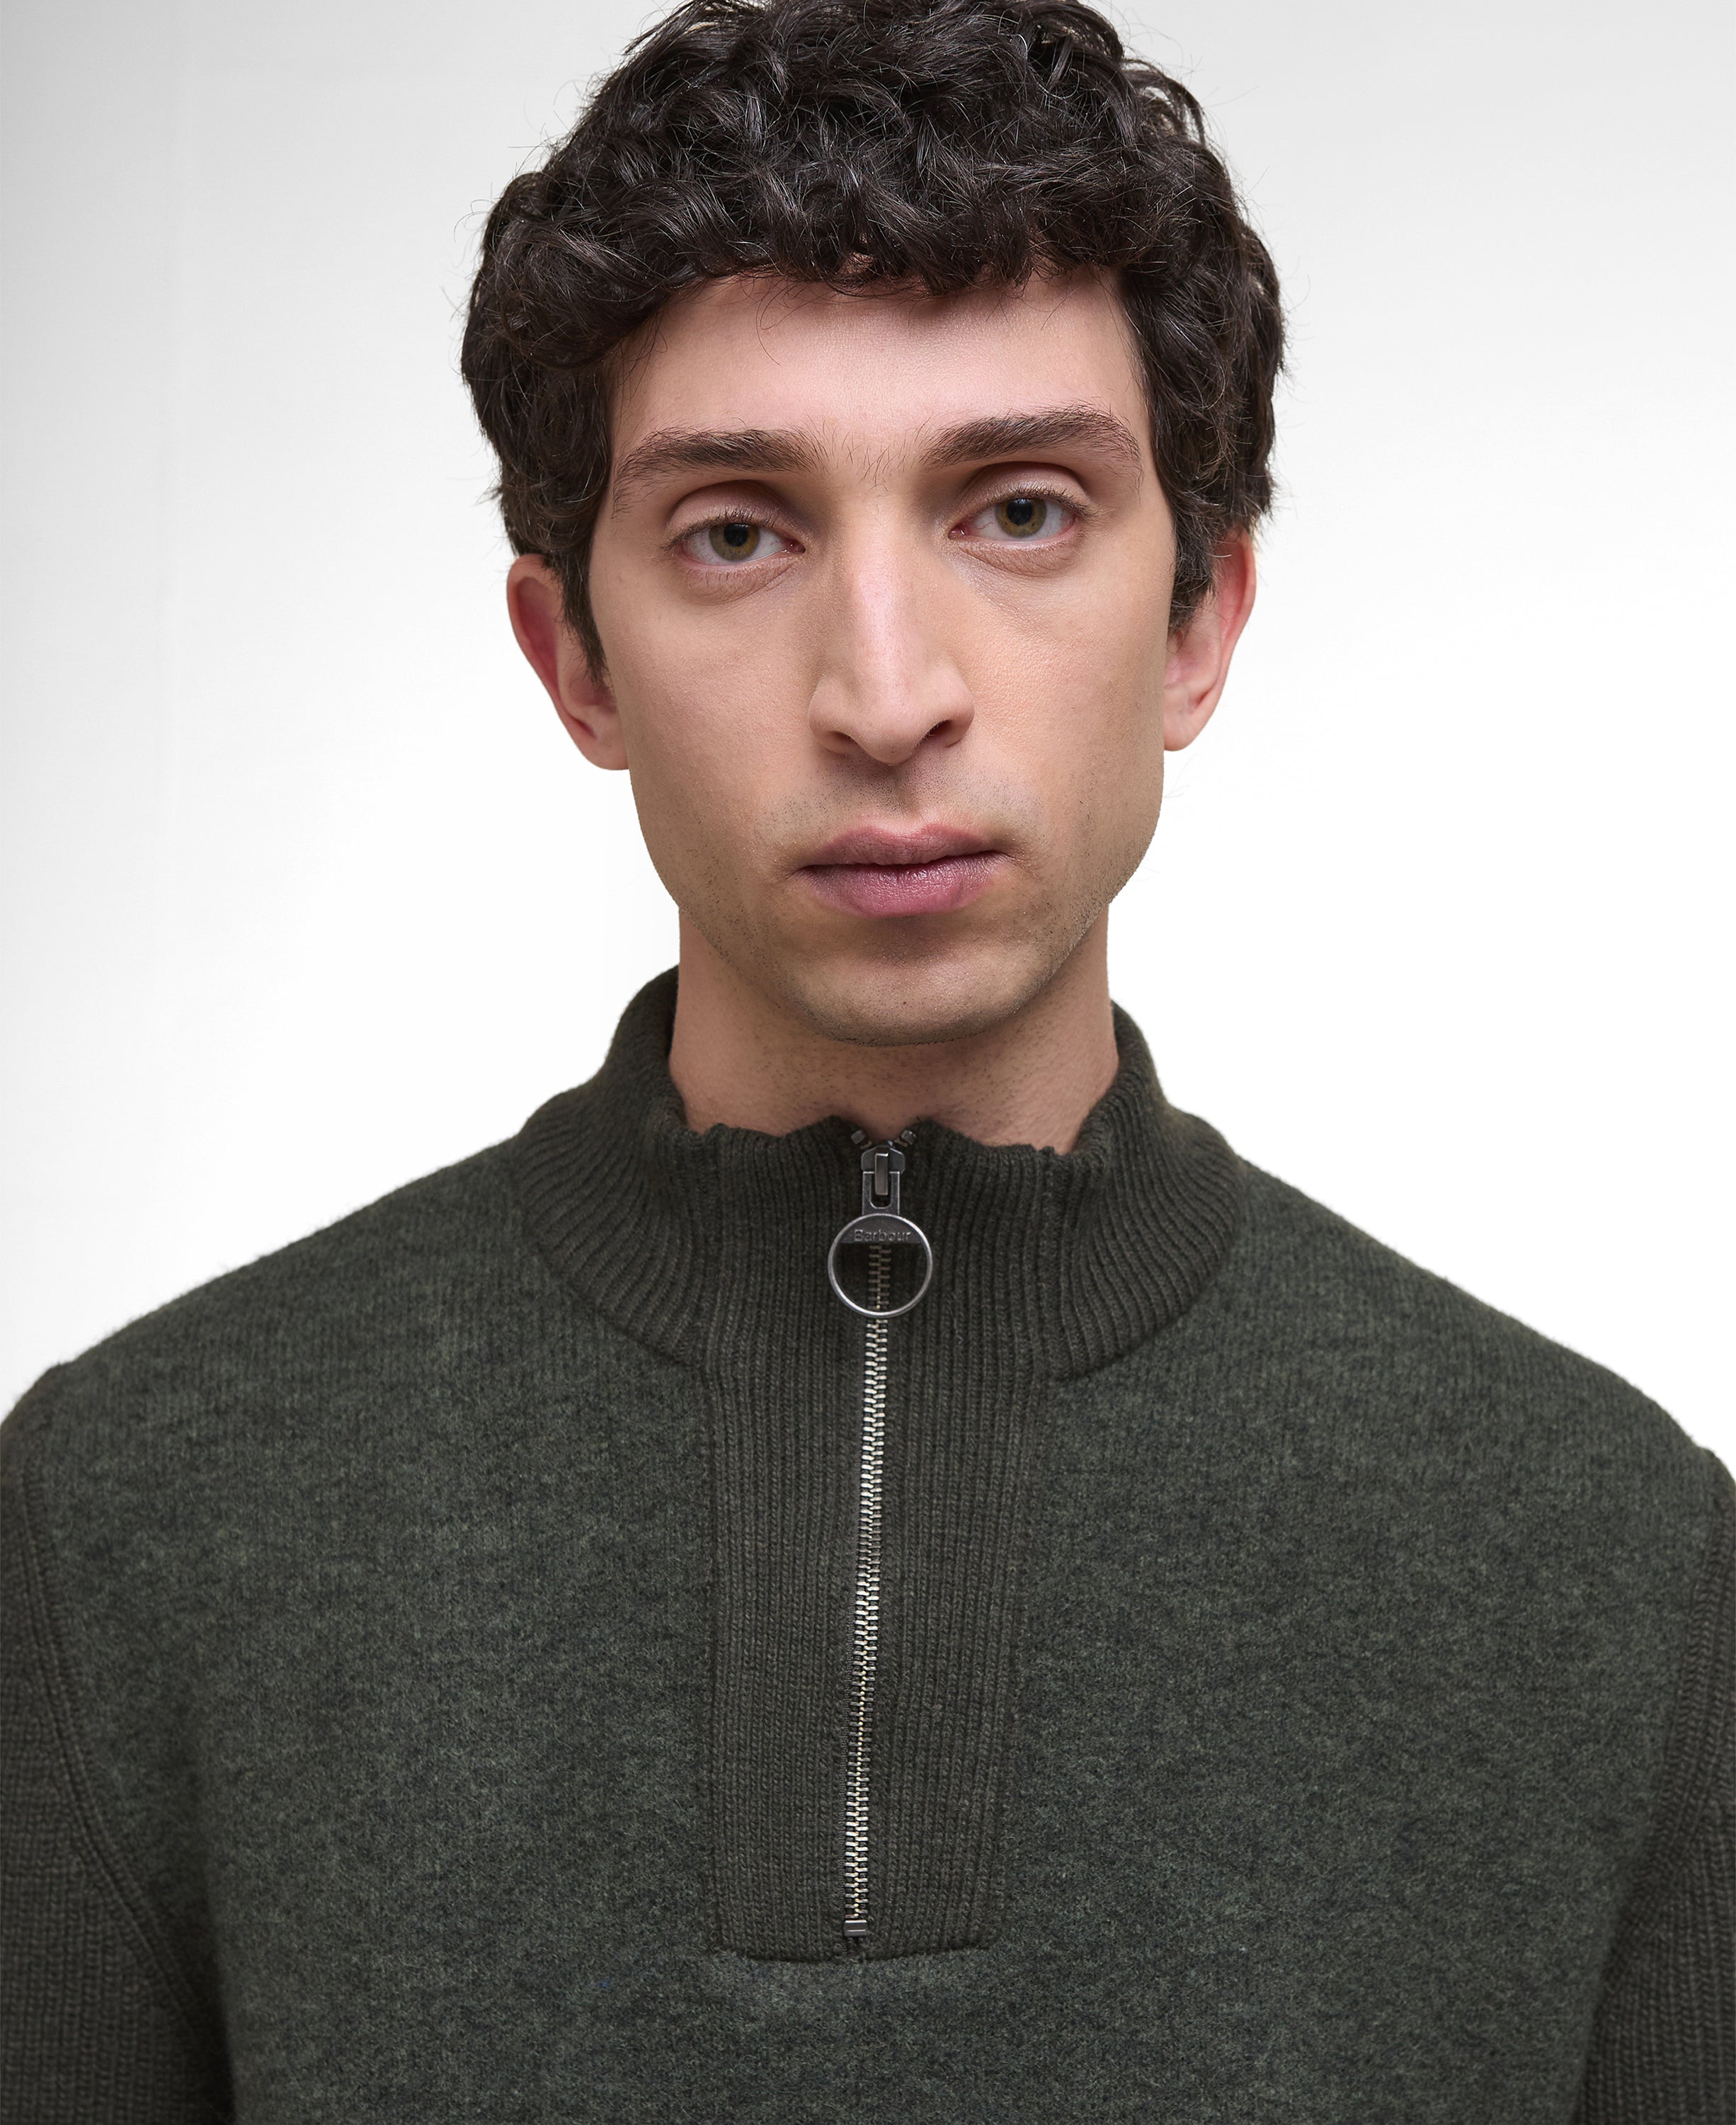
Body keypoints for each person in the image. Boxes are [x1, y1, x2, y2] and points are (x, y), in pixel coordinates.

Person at [3, 0, 1729, 2117]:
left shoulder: (1613, 1564)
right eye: (739, 530)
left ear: (1198, 622)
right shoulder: (132, 1516)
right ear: (575, 658)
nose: (887, 691)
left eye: (1019, 510)